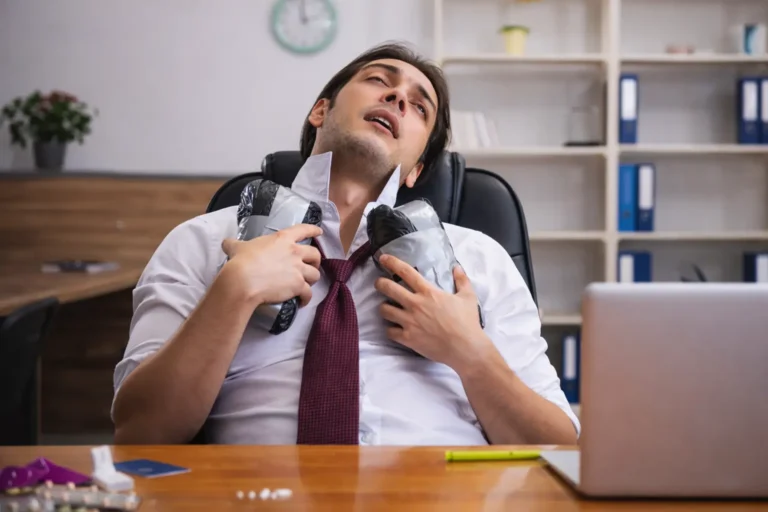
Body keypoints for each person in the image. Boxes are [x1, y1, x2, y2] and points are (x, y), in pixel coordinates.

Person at [111, 42, 580, 446]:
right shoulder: (204, 241)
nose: (398, 97)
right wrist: (232, 293)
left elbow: (558, 445)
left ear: (417, 168)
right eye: (380, 80)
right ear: (321, 111)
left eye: (420, 107)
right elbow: (139, 433)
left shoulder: (479, 261)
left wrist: (469, 351)